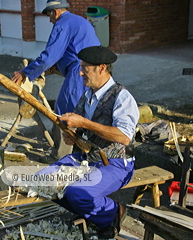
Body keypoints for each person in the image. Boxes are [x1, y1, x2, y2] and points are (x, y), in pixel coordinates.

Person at [45, 46, 139, 239]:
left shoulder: (122, 97)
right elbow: (82, 130)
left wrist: (84, 123)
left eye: (85, 68)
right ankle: (89, 211)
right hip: (88, 158)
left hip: (117, 163)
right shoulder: (88, 94)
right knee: (45, 181)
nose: (80, 73)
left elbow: (124, 136)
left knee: (77, 192)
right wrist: (73, 136)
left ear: (101, 68)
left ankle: (112, 214)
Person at [11, 0, 100, 161]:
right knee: (88, 108)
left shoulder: (62, 24)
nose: (49, 19)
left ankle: (60, 157)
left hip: (80, 70)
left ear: (56, 12)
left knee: (65, 110)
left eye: (49, 15)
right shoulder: (78, 21)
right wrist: (57, 67)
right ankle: (86, 153)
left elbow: (50, 56)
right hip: (97, 70)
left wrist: (25, 72)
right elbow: (70, 50)